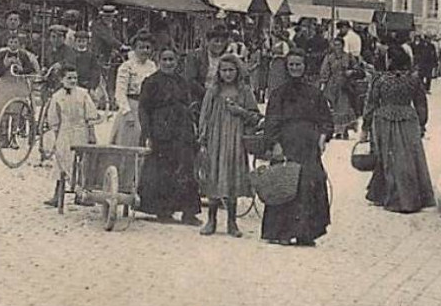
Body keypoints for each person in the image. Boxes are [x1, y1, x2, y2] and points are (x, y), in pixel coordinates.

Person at [260, 49, 333, 246]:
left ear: (305, 66)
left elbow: (326, 119)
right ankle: (282, 232)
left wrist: (323, 137)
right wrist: (274, 144)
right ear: (286, 67)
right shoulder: (279, 94)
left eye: (298, 64)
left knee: (309, 185)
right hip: (286, 144)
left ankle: (306, 233)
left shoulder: (314, 93)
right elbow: (272, 121)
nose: (295, 68)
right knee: (285, 184)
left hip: (309, 147)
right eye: (291, 65)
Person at [362, 44, 435, 213]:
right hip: (408, 119)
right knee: (409, 157)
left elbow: (371, 103)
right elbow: (421, 103)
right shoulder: (413, 79)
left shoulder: (379, 79)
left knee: (388, 157)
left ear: (390, 60)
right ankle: (406, 195)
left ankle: (396, 197)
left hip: (384, 119)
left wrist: (365, 127)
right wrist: (422, 123)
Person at [195, 53, 260, 237]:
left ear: (238, 71)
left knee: (231, 177)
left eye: (231, 70)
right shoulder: (213, 91)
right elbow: (204, 115)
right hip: (216, 139)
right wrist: (203, 135)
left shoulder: (244, 91)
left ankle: (232, 222)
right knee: (214, 175)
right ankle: (211, 219)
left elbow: (255, 116)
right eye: (224, 70)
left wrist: (240, 111)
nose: (228, 74)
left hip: (235, 140)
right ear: (219, 72)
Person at [138, 47, 203, 225]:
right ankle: (163, 210)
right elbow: (143, 108)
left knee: (186, 168)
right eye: (165, 60)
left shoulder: (182, 82)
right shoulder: (150, 82)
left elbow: (189, 104)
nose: (168, 63)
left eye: (171, 60)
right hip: (161, 129)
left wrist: (193, 125)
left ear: (177, 62)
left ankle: (189, 212)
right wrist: (147, 132)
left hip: (182, 129)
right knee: (162, 170)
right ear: (158, 61)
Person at [44, 66, 103, 209]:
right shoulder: (57, 96)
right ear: (61, 79)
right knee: (62, 162)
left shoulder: (83, 94)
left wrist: (91, 134)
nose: (72, 81)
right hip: (65, 132)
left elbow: (90, 116)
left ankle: (81, 195)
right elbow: (54, 118)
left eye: (75, 78)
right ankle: (57, 195)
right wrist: (56, 137)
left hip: (80, 131)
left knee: (81, 163)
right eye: (69, 78)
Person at [111, 30, 157, 146]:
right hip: (132, 107)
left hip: (147, 108)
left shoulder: (152, 66)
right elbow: (120, 92)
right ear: (134, 49)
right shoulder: (126, 67)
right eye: (141, 47)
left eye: (148, 48)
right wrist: (127, 112)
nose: (145, 51)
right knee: (130, 141)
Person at [0, 30, 40, 114]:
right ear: (7, 43)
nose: (13, 44)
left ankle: (16, 126)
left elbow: (30, 69)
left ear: (19, 44)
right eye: (11, 42)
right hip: (6, 86)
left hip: (19, 86)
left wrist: (21, 69)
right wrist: (5, 65)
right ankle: (3, 126)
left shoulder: (23, 55)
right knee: (4, 111)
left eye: (15, 42)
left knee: (17, 111)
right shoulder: (2, 55)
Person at [318, 38, 357, 138]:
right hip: (332, 86)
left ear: (343, 45)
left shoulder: (348, 57)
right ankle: (336, 130)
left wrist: (351, 72)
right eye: (335, 45)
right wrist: (322, 84)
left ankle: (343, 130)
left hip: (345, 85)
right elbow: (324, 71)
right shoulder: (329, 58)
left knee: (344, 108)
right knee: (333, 109)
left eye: (339, 45)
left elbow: (357, 68)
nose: (337, 47)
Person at [181, 24, 229, 92]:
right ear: (208, 41)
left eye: (222, 41)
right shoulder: (195, 56)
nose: (219, 44)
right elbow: (190, 80)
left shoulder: (228, 58)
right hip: (199, 96)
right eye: (216, 41)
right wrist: (207, 94)